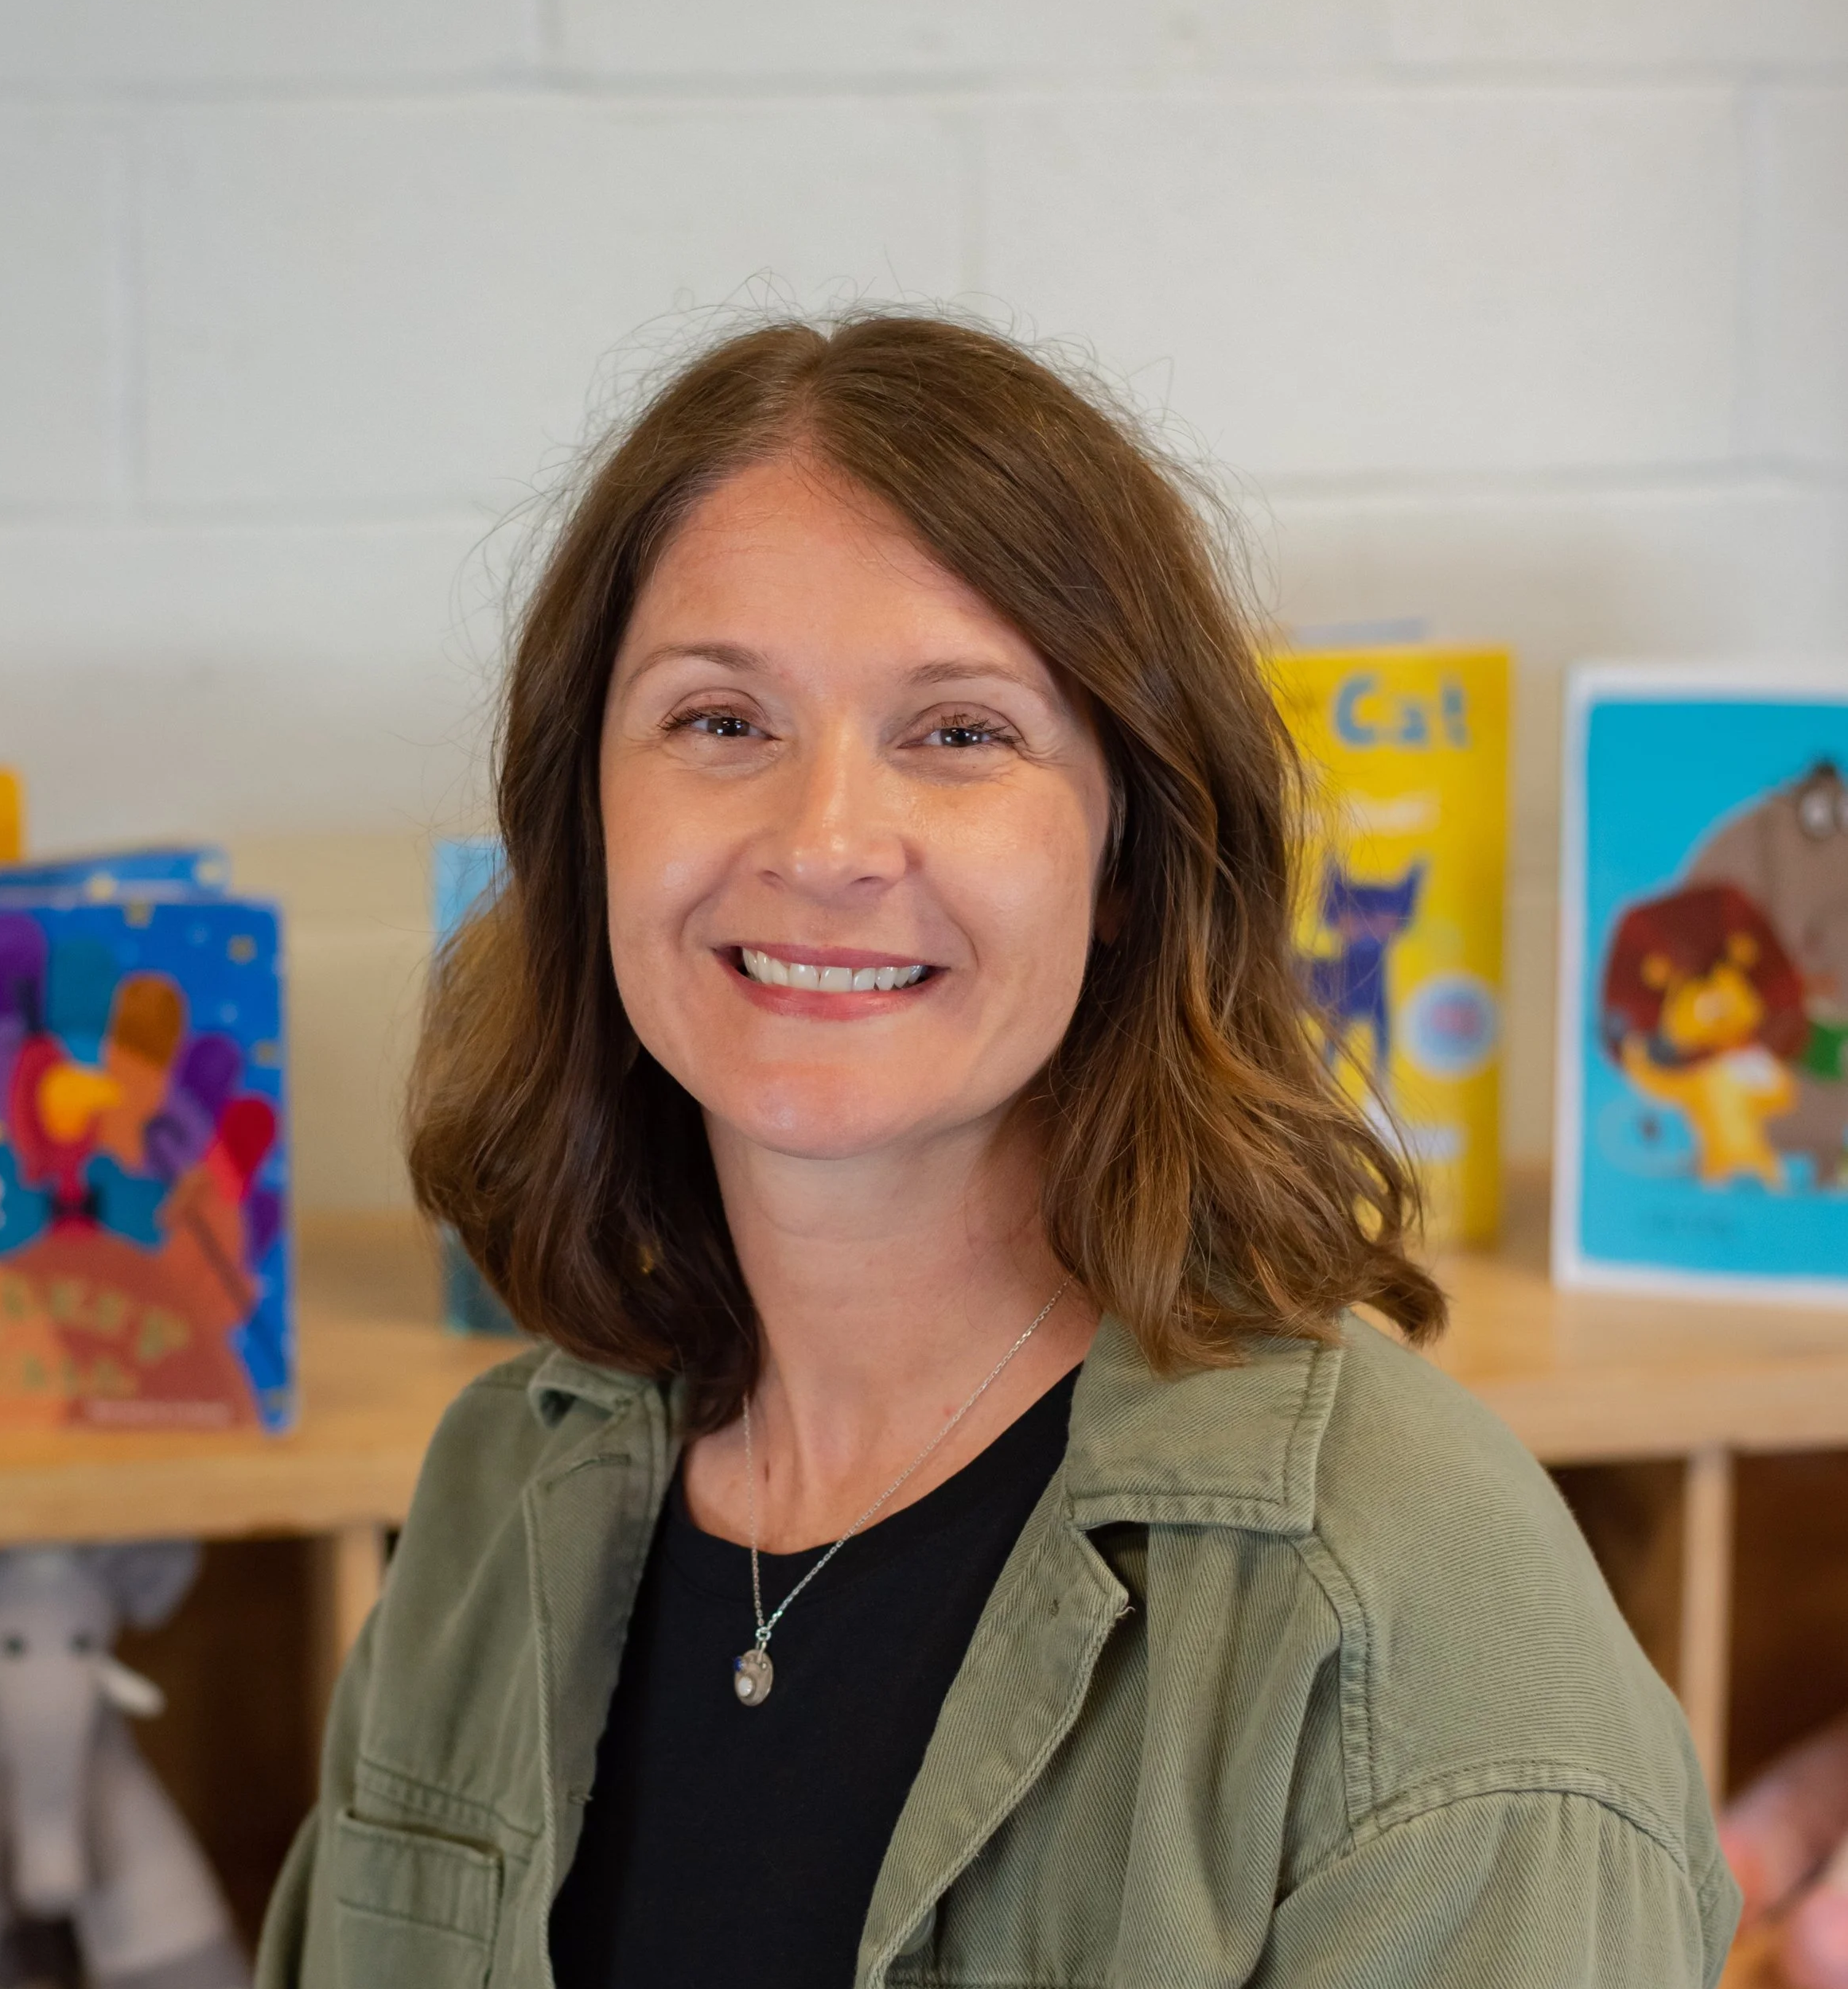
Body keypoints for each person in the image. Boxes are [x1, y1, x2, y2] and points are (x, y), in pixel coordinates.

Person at [257, 313, 1738, 1988]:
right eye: (717, 720)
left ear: (1125, 854)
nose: (820, 842)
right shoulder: (502, 1491)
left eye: (959, 731)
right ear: (583, 817)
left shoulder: (1400, 1610)